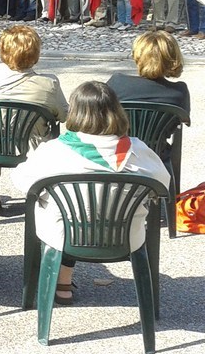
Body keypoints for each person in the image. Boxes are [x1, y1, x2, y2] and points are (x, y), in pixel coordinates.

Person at [13, 81, 169, 305]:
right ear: (117, 111)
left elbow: (21, 180)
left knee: (60, 209)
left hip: (66, 236)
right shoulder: (138, 150)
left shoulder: (54, 150)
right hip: (125, 236)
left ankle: (61, 283)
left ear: (75, 112)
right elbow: (163, 185)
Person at [0, 25, 68, 213]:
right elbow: (64, 116)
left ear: (3, 50)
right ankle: (36, 190)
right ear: (36, 53)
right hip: (30, 148)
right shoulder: (49, 84)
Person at [106, 29, 190, 163]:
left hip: (118, 157)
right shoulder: (179, 92)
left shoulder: (117, 83)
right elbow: (182, 122)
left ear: (138, 56)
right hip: (157, 160)